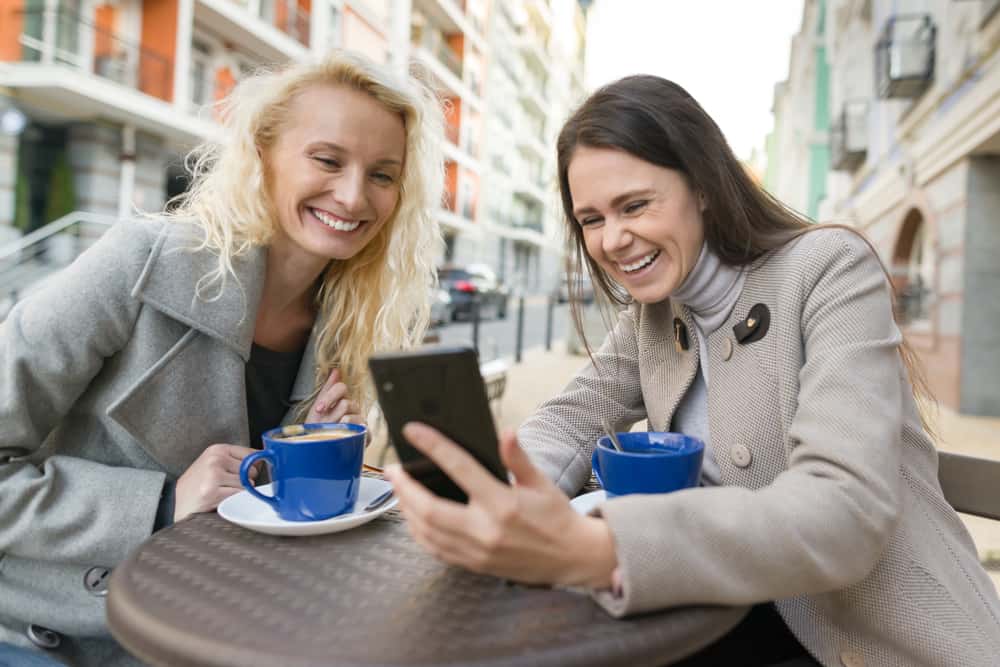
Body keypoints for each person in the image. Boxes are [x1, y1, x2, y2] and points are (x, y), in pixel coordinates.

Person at [386, 75, 1000, 666]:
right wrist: (504, 499)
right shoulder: (653, 313)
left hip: (885, 642)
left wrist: (604, 546)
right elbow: (570, 418)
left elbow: (843, 512)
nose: (614, 239)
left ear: (702, 185)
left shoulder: (830, 269)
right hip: (746, 618)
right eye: (592, 219)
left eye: (635, 205)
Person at [0, 50, 443, 666]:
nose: (352, 195)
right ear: (263, 154)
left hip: (216, 630)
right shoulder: (140, 265)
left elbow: (252, 511)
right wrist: (160, 503)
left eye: (383, 175)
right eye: (327, 160)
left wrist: (305, 469)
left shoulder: (345, 323)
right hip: (52, 633)